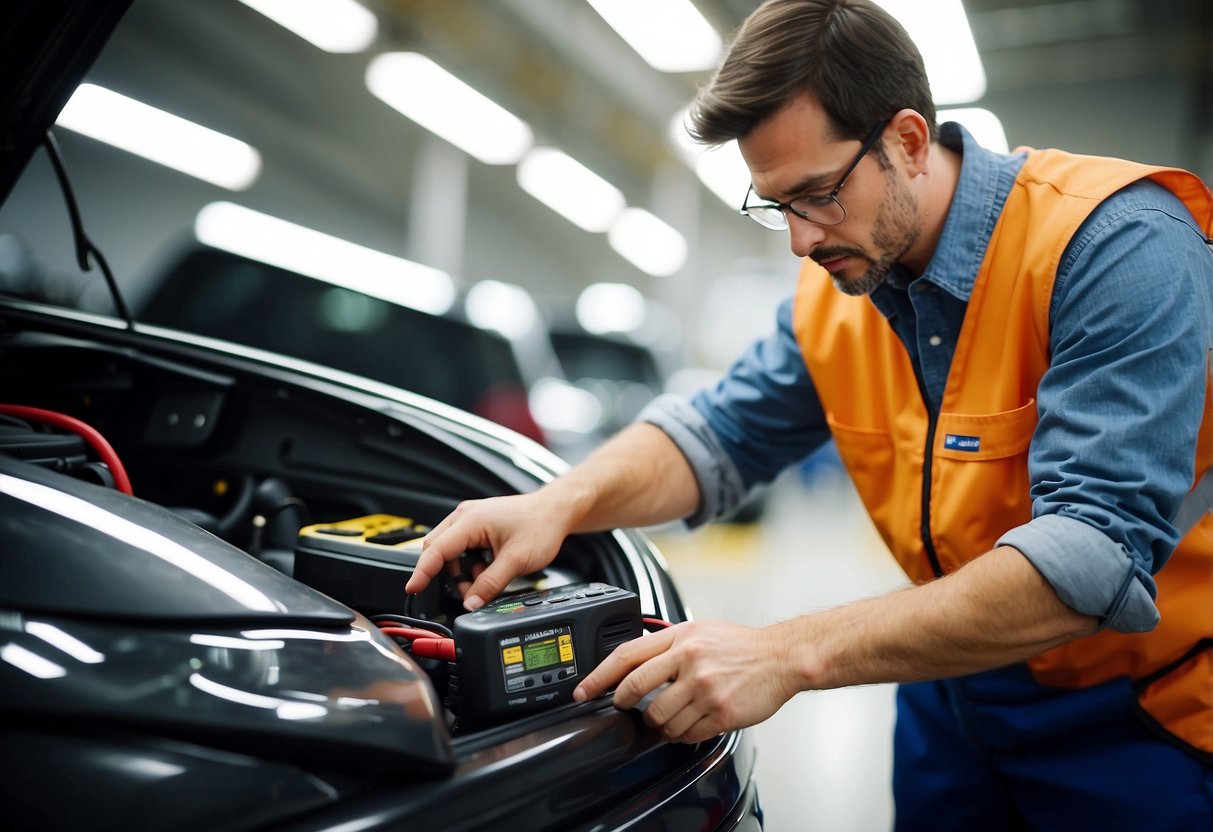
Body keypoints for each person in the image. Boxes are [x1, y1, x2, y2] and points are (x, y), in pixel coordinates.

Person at [406, 0, 1213, 826]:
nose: (799, 240)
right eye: (775, 206)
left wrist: (784, 652)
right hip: (951, 685)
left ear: (905, 140)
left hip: (1141, 712)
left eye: (816, 194)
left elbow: (1089, 559)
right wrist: (557, 503)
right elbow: (717, 434)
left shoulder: (1115, 244)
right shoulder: (844, 284)